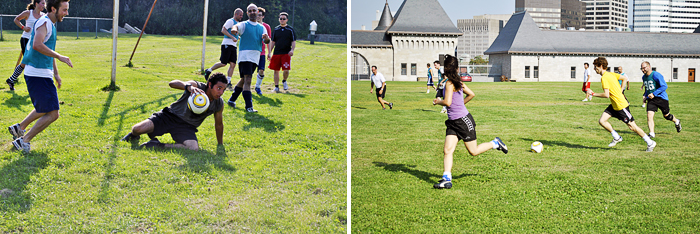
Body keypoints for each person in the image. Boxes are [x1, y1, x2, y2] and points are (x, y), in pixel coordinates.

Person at [432, 55, 508, 189]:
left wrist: (438, 102)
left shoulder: (451, 83)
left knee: (473, 151)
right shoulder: (456, 81)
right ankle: (446, 178)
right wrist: (461, 104)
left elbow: (448, 102)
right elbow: (471, 94)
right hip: (453, 122)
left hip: (463, 121)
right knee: (447, 150)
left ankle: (495, 143)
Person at [8, 0, 72, 153]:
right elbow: (37, 44)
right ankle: (23, 140)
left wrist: (56, 73)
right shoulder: (44, 22)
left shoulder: (49, 23)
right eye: (64, 10)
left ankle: (20, 128)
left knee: (46, 109)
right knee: (53, 113)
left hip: (42, 73)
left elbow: (47, 49)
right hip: (37, 74)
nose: (66, 13)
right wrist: (60, 56)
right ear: (53, 8)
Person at [121, 73, 227, 151]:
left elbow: (219, 125)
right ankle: (134, 135)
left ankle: (157, 145)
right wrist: (188, 87)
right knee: (137, 129)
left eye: (223, 90)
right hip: (169, 116)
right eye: (219, 88)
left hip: (186, 127)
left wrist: (220, 145)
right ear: (209, 85)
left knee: (193, 148)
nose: (221, 92)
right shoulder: (197, 87)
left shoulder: (219, 103)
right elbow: (172, 83)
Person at [586, 57, 656, 152]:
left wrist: (593, 93)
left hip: (620, 106)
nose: (594, 69)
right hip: (614, 105)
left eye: (595, 67)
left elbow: (606, 95)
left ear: (601, 66)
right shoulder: (610, 74)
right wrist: (621, 90)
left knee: (632, 127)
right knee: (602, 121)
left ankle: (650, 142)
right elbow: (624, 78)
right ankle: (617, 137)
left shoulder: (604, 78)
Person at [227, 4, 271, 112]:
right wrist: (233, 29)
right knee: (248, 80)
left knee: (243, 79)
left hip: (255, 58)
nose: (252, 12)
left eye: (254, 10)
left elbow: (267, 41)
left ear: (257, 12)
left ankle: (232, 99)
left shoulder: (262, 27)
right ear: (247, 13)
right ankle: (249, 107)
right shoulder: (244, 24)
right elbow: (236, 27)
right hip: (245, 57)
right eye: (250, 11)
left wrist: (266, 38)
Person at [6, 0, 46, 91]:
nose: (44, 5)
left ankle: (11, 80)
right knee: (30, 62)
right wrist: (23, 28)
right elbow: (16, 19)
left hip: (36, 42)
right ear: (36, 4)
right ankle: (33, 84)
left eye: (45, 3)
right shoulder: (28, 13)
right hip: (26, 40)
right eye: (42, 3)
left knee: (26, 63)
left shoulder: (44, 16)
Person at [640, 61, 682, 138]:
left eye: (644, 68)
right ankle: (652, 133)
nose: (643, 70)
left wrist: (654, 94)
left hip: (661, 98)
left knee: (667, 116)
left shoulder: (656, 75)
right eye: (641, 69)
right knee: (649, 115)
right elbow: (648, 88)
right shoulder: (644, 77)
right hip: (651, 99)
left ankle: (677, 121)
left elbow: (664, 86)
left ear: (649, 66)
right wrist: (645, 96)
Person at [203, 8, 244, 86]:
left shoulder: (238, 23)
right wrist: (232, 37)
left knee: (233, 64)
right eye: (240, 15)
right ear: (236, 14)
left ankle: (228, 81)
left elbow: (235, 34)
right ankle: (208, 70)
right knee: (223, 63)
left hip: (233, 46)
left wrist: (238, 38)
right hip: (227, 44)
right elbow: (223, 30)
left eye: (242, 15)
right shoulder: (230, 21)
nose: (241, 16)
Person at [267, 12, 297, 93]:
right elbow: (273, 42)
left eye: (284, 19)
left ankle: (284, 81)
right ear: (279, 20)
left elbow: (293, 41)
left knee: (286, 70)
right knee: (276, 70)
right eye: (281, 19)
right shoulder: (276, 30)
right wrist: (270, 52)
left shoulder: (290, 30)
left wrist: (292, 50)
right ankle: (276, 87)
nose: (282, 20)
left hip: (286, 53)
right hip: (277, 53)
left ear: (287, 20)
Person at [253, 7, 272, 95]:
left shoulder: (266, 27)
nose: (258, 17)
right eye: (257, 15)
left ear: (263, 16)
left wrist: (269, 52)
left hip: (262, 53)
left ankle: (257, 87)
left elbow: (269, 41)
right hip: (252, 52)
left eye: (260, 15)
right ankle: (245, 87)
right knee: (249, 72)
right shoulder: (251, 25)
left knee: (261, 71)